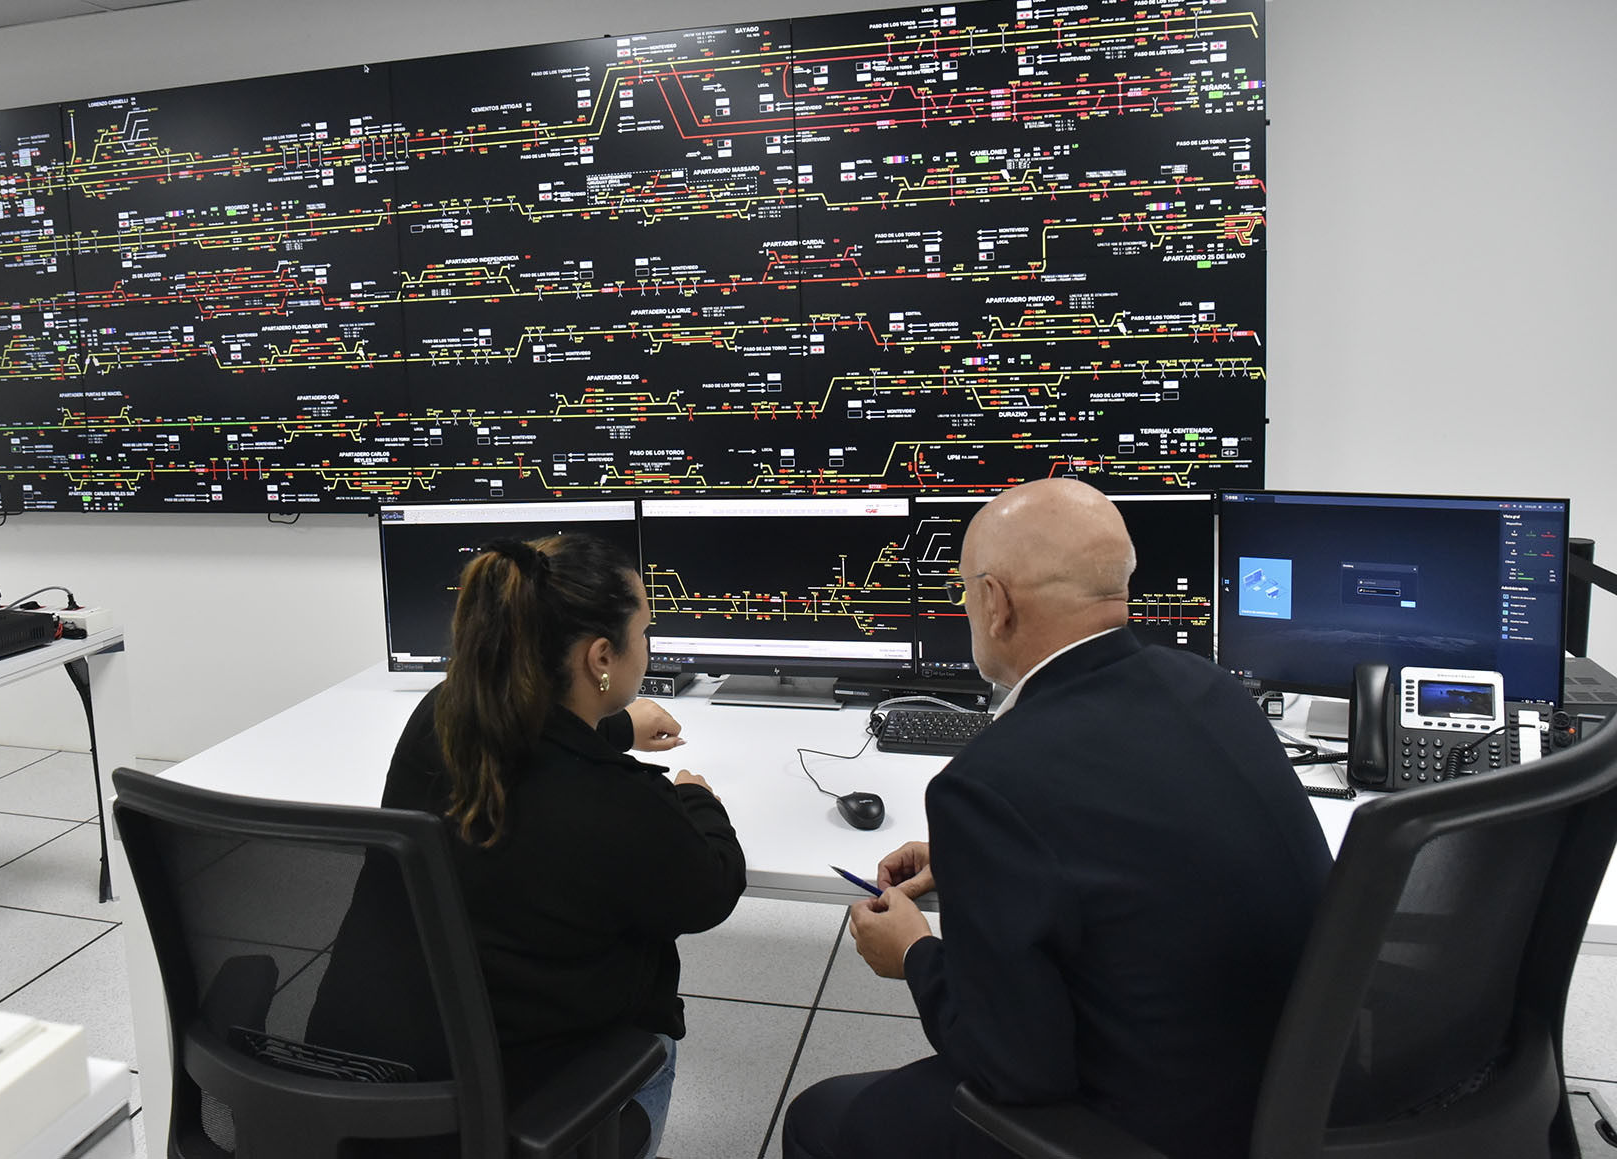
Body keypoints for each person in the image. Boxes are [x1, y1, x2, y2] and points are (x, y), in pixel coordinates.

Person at [782, 480, 1333, 1159]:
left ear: (996, 602)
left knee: (819, 1118)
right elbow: (1145, 842)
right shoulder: (1210, 686)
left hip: (1155, 1126)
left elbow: (1016, 1070)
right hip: (1298, 1082)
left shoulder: (987, 782)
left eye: (964, 591)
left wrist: (915, 955)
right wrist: (977, 861)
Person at [381, 532, 745, 1155]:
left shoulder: (443, 718)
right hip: (538, 1101)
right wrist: (696, 797)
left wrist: (614, 726)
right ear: (601, 656)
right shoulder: (618, 801)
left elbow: (532, 744)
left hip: (398, 1078)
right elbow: (714, 887)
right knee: (656, 1043)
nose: (648, 647)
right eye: (645, 632)